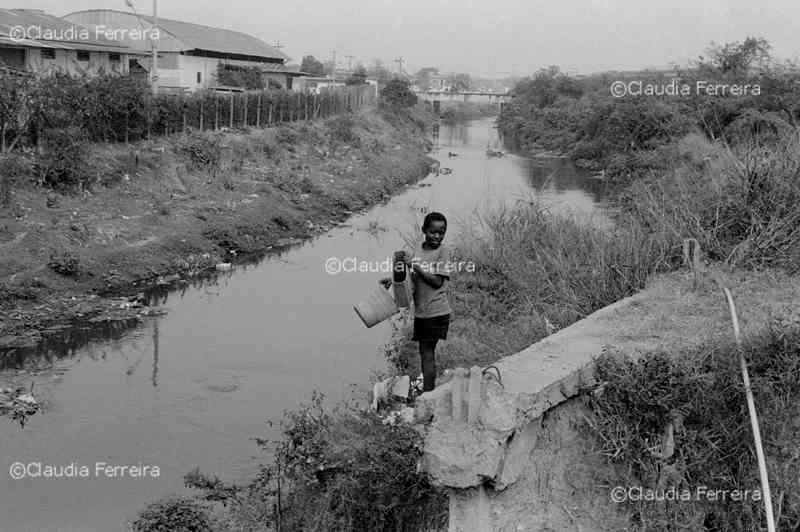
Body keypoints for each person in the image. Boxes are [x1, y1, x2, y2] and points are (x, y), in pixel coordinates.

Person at [381, 212, 452, 392]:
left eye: (441, 232)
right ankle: (428, 392)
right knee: (425, 354)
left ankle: (428, 395)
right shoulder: (418, 249)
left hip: (436, 311)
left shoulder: (443, 251)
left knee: (427, 354)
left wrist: (414, 264)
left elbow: (437, 281)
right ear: (424, 230)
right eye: (433, 232)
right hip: (422, 312)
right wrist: (393, 280)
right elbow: (412, 277)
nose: (437, 236)